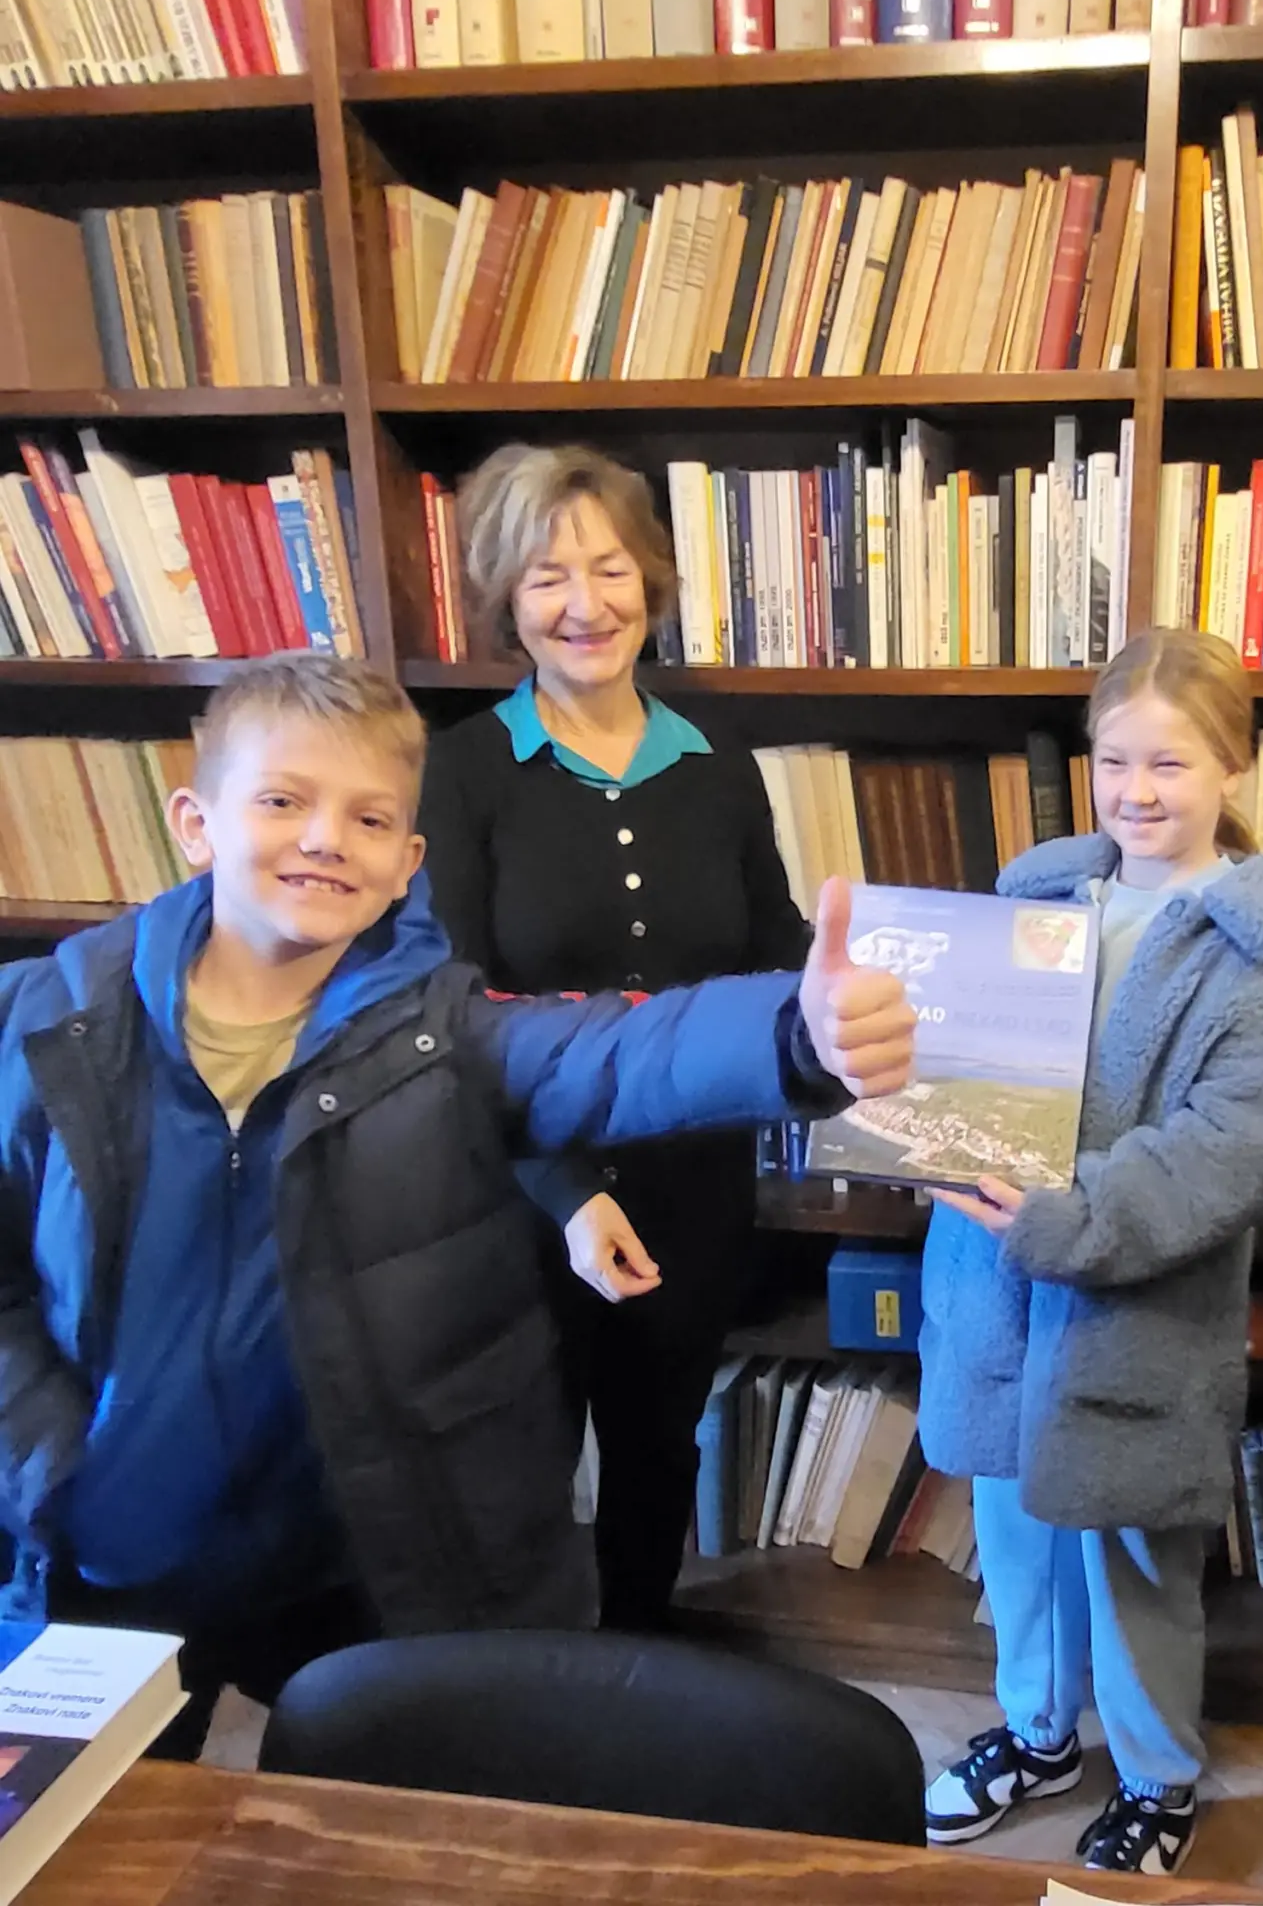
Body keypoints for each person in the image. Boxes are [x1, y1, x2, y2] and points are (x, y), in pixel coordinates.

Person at [0, 652, 913, 1757]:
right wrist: (47, 1462)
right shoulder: (43, 1026)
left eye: (369, 818)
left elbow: (617, 1053)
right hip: (114, 1545)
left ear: (408, 863)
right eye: (283, 801)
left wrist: (797, 1033)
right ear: (196, 823)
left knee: (405, 1815)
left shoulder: (447, 1032)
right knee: (102, 1828)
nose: (326, 837)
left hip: (369, 1556)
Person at [917, 628, 1263, 1875]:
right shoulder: (1039, 897)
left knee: (1139, 1561)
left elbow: (1235, 1145)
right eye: (1114, 761)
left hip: (1139, 1310)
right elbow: (963, 1055)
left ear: (1233, 766)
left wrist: (1073, 1218)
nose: (1137, 791)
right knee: (1017, 1538)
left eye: (1171, 763)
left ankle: (1156, 1775)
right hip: (996, 1293)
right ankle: (1037, 1730)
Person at [417, 442, 812, 1631]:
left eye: (608, 569)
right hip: (522, 1194)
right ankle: (523, 1691)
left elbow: (777, 947)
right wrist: (569, 1194)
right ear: (507, 599)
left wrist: (900, 995)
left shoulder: (718, 766)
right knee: (519, 1471)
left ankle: (637, 1662)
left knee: (658, 1449)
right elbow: (448, 1008)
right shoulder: (461, 771)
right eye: (547, 576)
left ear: (651, 581)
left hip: (696, 1184)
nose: (584, 604)